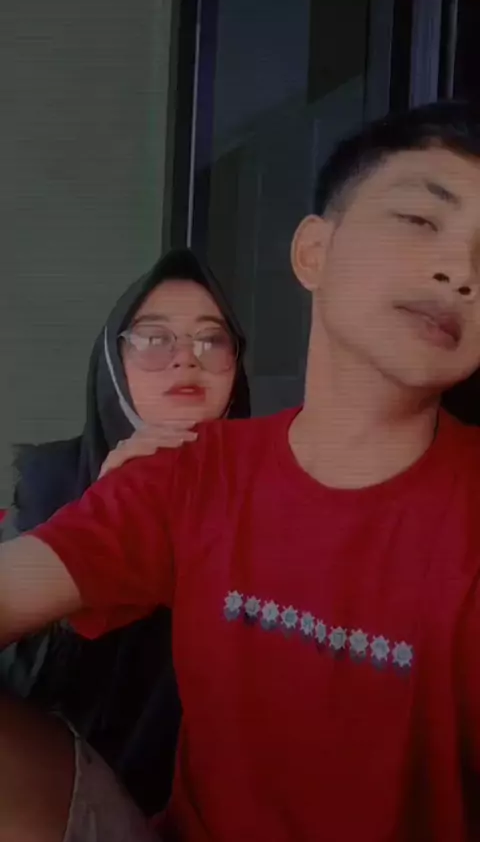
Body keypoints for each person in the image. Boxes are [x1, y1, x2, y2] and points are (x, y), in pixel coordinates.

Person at [3, 99, 480, 841]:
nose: (460, 272)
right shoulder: (186, 476)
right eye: (421, 219)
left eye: (209, 340)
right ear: (313, 252)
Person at [0, 247, 250, 817]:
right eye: (155, 338)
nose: (186, 359)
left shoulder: (266, 489)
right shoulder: (51, 480)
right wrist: (99, 516)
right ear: (114, 364)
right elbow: (21, 679)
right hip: (63, 782)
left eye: (211, 340)